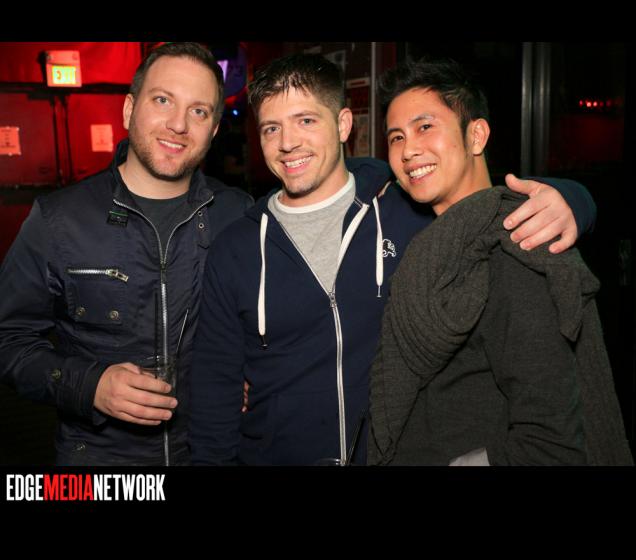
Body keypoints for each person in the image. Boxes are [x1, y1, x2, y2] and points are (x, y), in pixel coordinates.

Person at [188, 53, 596, 466]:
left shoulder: (404, 211)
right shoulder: (236, 248)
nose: (287, 142)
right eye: (271, 128)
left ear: (344, 125)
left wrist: (572, 200)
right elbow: (213, 394)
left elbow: (478, 201)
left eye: (306, 120)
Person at [368, 57, 633, 466]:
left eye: (425, 127)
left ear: (476, 135)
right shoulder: (426, 239)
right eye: (396, 137)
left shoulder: (517, 249)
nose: (409, 150)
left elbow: (551, 445)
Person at [0, 42, 252, 466]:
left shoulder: (238, 214)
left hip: (213, 452)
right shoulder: (59, 219)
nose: (178, 124)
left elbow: (268, 323)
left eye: (198, 111)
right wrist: (90, 386)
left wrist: (253, 371)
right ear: (129, 109)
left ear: (212, 130)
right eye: (162, 100)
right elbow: (7, 340)